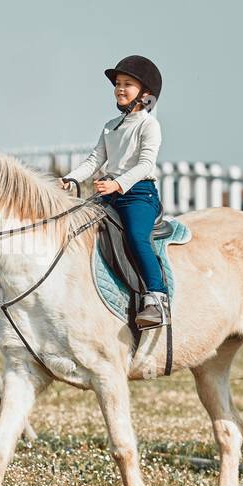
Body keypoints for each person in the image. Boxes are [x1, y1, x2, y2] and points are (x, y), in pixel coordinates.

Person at [62, 55, 168, 329]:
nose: (120, 89)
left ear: (145, 94)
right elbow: (94, 161)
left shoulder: (149, 126)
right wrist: (69, 179)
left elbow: (145, 165)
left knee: (135, 235)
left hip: (139, 195)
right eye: (118, 84)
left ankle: (157, 299)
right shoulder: (110, 126)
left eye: (128, 84)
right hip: (111, 194)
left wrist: (118, 184)